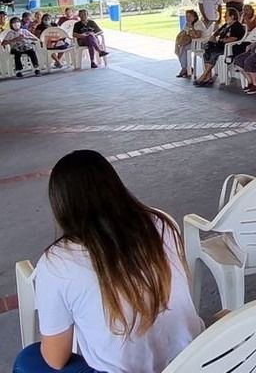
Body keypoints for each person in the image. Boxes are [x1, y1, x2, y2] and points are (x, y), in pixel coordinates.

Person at [13, 150, 202, 373]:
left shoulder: (57, 263)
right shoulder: (160, 223)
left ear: (61, 205)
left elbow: (56, 359)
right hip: (193, 359)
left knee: (26, 361)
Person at [193, 8, 245, 86]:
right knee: (206, 53)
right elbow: (216, 33)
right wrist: (214, 36)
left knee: (213, 53)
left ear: (232, 16)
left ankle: (204, 76)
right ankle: (208, 77)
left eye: (226, 16)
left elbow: (234, 38)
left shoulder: (237, 26)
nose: (224, 17)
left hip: (229, 48)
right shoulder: (226, 25)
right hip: (219, 46)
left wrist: (219, 40)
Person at [174, 9, 208, 79]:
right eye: (186, 16)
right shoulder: (187, 24)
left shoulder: (198, 23)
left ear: (195, 17)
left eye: (189, 16)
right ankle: (186, 68)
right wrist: (178, 42)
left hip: (201, 44)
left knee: (183, 48)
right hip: (193, 43)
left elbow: (196, 36)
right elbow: (183, 33)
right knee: (181, 47)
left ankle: (185, 68)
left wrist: (191, 28)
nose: (187, 18)